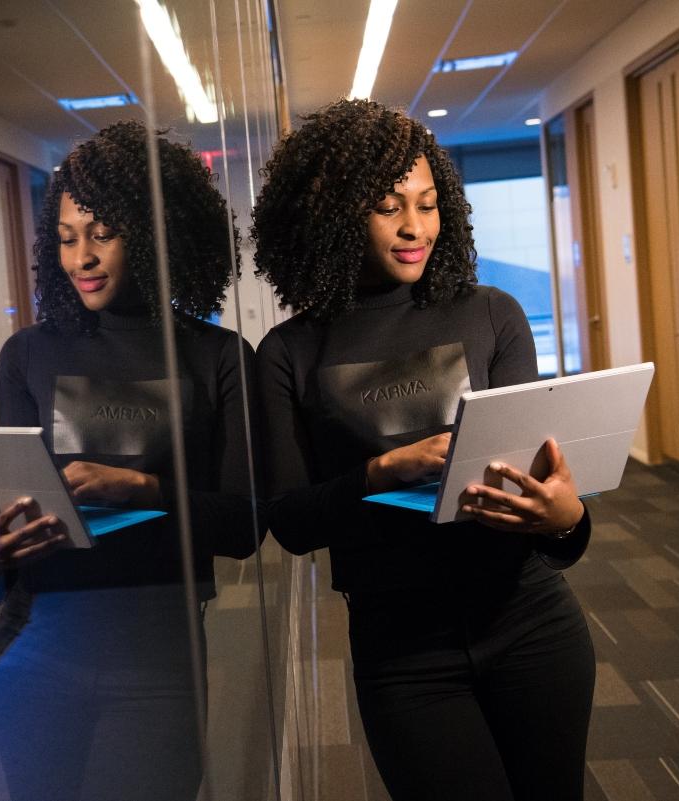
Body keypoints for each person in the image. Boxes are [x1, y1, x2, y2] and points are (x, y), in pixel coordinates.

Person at [251, 99, 595, 801]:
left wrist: (565, 518)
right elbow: (289, 519)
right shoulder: (289, 351)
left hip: (531, 621)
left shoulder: (491, 313)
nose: (416, 227)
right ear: (336, 216)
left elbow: (544, 511)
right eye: (389, 207)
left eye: (429, 202)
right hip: (403, 652)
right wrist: (379, 473)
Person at [0, 120, 259, 801]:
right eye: (66, 238)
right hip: (32, 651)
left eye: (102, 234)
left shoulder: (217, 357)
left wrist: (140, 486)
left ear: (153, 238)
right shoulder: (28, 356)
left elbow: (242, 524)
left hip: (157, 657)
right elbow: (0, 563)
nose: (82, 257)